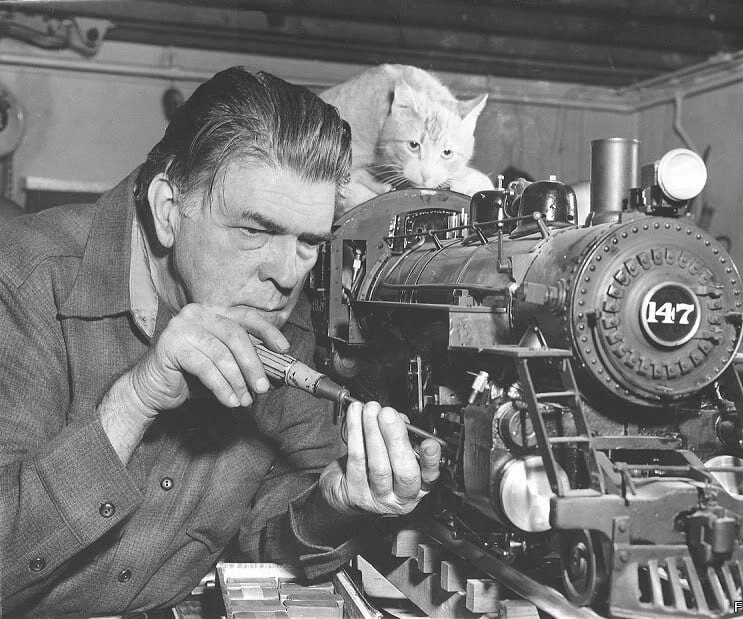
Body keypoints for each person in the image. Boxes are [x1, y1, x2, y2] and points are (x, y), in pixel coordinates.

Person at [0, 67, 441, 617]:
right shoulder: (22, 280)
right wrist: (133, 400)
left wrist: (337, 503)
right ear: (168, 211)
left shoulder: (289, 331)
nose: (287, 275)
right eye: (255, 231)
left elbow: (271, 545)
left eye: (309, 242)